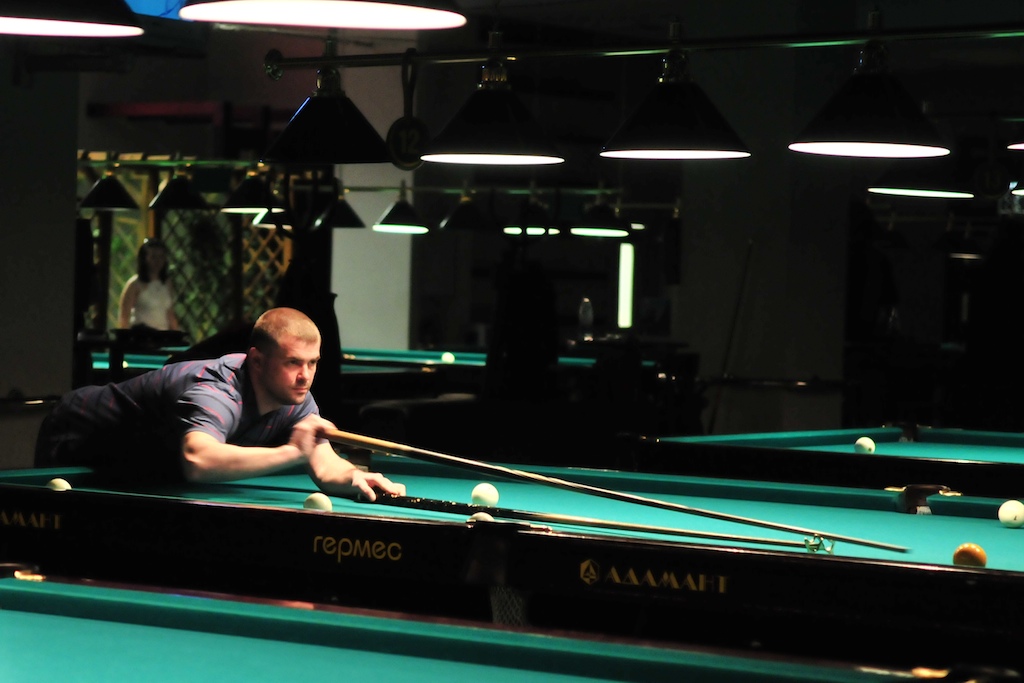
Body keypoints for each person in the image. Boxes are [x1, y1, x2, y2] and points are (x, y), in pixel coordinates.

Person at [35, 307, 404, 501]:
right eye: (293, 362)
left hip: (138, 462)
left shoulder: (296, 399)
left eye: (313, 363)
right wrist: (293, 452)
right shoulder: (216, 390)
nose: (304, 376)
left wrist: (354, 477)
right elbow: (198, 460)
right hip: (77, 437)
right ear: (257, 360)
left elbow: (322, 464)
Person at [118, 238, 180, 331]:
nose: (158, 261)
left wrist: (176, 333)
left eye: (161, 257)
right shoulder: (135, 284)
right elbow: (124, 317)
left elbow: (170, 313)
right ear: (145, 258)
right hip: (142, 334)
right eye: (153, 257)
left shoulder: (167, 283)